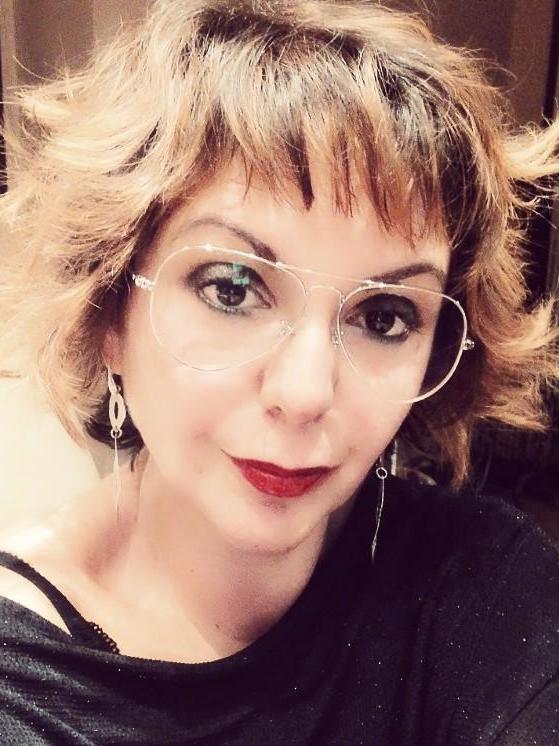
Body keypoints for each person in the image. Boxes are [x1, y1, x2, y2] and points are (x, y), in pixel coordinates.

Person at [1, 0, 559, 742]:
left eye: (384, 317)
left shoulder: (484, 583)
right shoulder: (21, 688)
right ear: (108, 313)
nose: (304, 393)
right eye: (232, 289)